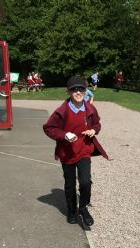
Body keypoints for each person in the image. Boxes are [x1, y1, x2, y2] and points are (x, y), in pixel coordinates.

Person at [43, 76, 109, 226]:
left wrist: (93, 130)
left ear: (86, 91)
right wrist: (64, 135)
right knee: (70, 184)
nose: (78, 92)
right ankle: (72, 211)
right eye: (74, 89)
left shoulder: (90, 108)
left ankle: (83, 208)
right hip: (67, 153)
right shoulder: (62, 111)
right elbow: (49, 128)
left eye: (81, 89)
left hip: (84, 150)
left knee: (85, 182)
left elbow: (97, 124)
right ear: (68, 92)